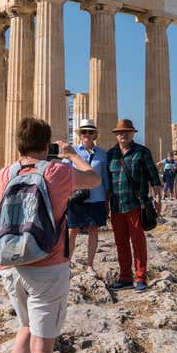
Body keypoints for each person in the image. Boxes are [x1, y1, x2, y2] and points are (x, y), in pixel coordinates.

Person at [0, 117, 100, 353]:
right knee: (43, 348)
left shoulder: (4, 175)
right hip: (47, 266)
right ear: (47, 144)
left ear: (19, 143)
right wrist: (71, 154)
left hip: (10, 266)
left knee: (24, 327)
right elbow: (92, 179)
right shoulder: (56, 171)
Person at [106, 119, 163, 293]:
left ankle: (140, 278)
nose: (122, 135)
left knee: (138, 242)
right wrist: (105, 204)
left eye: (126, 132)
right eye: (119, 132)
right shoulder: (111, 154)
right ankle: (125, 278)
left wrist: (158, 197)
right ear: (116, 135)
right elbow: (108, 182)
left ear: (133, 133)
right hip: (116, 205)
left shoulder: (142, 152)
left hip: (136, 204)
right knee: (120, 242)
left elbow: (153, 176)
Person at [64, 119, 110, 277]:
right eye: (84, 132)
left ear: (95, 135)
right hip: (77, 198)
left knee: (93, 231)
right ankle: (67, 263)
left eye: (90, 132)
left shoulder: (103, 154)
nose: (87, 135)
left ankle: (90, 265)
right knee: (72, 231)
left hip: (97, 197)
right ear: (79, 135)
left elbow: (105, 178)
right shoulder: (71, 152)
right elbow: (63, 174)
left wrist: (107, 201)